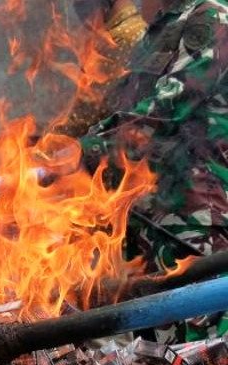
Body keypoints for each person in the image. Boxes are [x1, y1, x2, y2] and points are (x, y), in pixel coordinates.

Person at [78, 0, 228, 341]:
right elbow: (127, 109)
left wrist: (86, 150)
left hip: (195, 213)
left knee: (203, 342)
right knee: (157, 354)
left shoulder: (212, 16)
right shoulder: (159, 30)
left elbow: (168, 106)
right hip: (149, 215)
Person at [55, 0, 148, 137]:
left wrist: (47, 145)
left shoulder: (120, 38)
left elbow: (85, 114)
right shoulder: (138, 29)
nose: (77, 7)